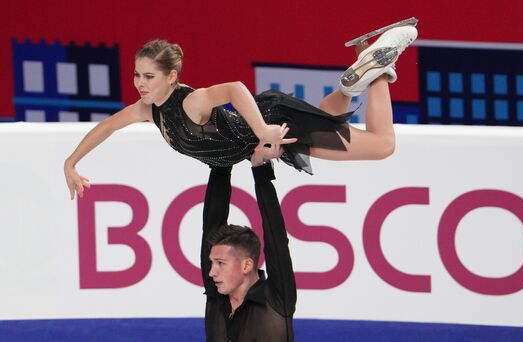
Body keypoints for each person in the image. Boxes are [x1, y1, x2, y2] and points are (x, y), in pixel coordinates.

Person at [64, 20, 418, 199]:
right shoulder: (148, 110)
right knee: (326, 117)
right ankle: (352, 81)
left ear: (172, 77)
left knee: (383, 145)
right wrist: (71, 163)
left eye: (149, 76)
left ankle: (377, 71)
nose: (141, 83)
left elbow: (235, 88)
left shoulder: (191, 100)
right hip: (271, 125)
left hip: (278, 128)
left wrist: (264, 130)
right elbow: (107, 126)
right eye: (137, 75)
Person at [202, 145, 296, 341]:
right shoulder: (216, 294)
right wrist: (221, 165)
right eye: (212, 263)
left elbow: (276, 239)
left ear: (246, 264)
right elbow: (212, 225)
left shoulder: (277, 299)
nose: (211, 272)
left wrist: (260, 171)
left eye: (220, 263)